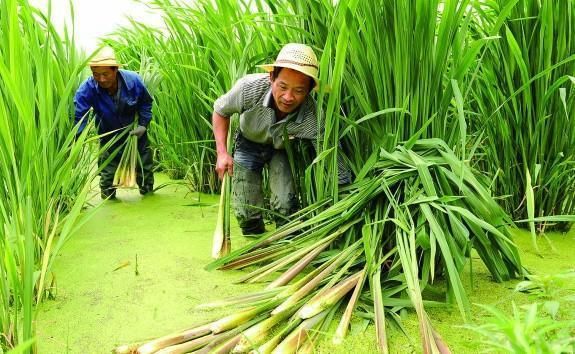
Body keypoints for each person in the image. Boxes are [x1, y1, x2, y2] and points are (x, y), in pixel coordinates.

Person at [212, 43, 350, 235]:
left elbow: (332, 161)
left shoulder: (313, 118)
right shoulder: (249, 88)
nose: (288, 97)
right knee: (246, 210)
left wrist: (348, 197)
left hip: (283, 149)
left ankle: (286, 244)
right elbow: (220, 111)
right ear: (272, 78)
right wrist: (222, 153)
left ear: (309, 91)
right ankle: (254, 244)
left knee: (286, 205)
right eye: (282, 86)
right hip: (248, 142)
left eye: (299, 90)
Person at [74, 46, 154, 200]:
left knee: (145, 170)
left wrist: (143, 125)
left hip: (136, 135)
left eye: (105, 74)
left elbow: (145, 103)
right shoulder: (87, 89)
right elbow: (80, 117)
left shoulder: (134, 81)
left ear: (115, 69)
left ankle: (148, 195)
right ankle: (108, 198)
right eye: (96, 75)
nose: (101, 79)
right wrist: (78, 141)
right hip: (108, 136)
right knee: (107, 175)